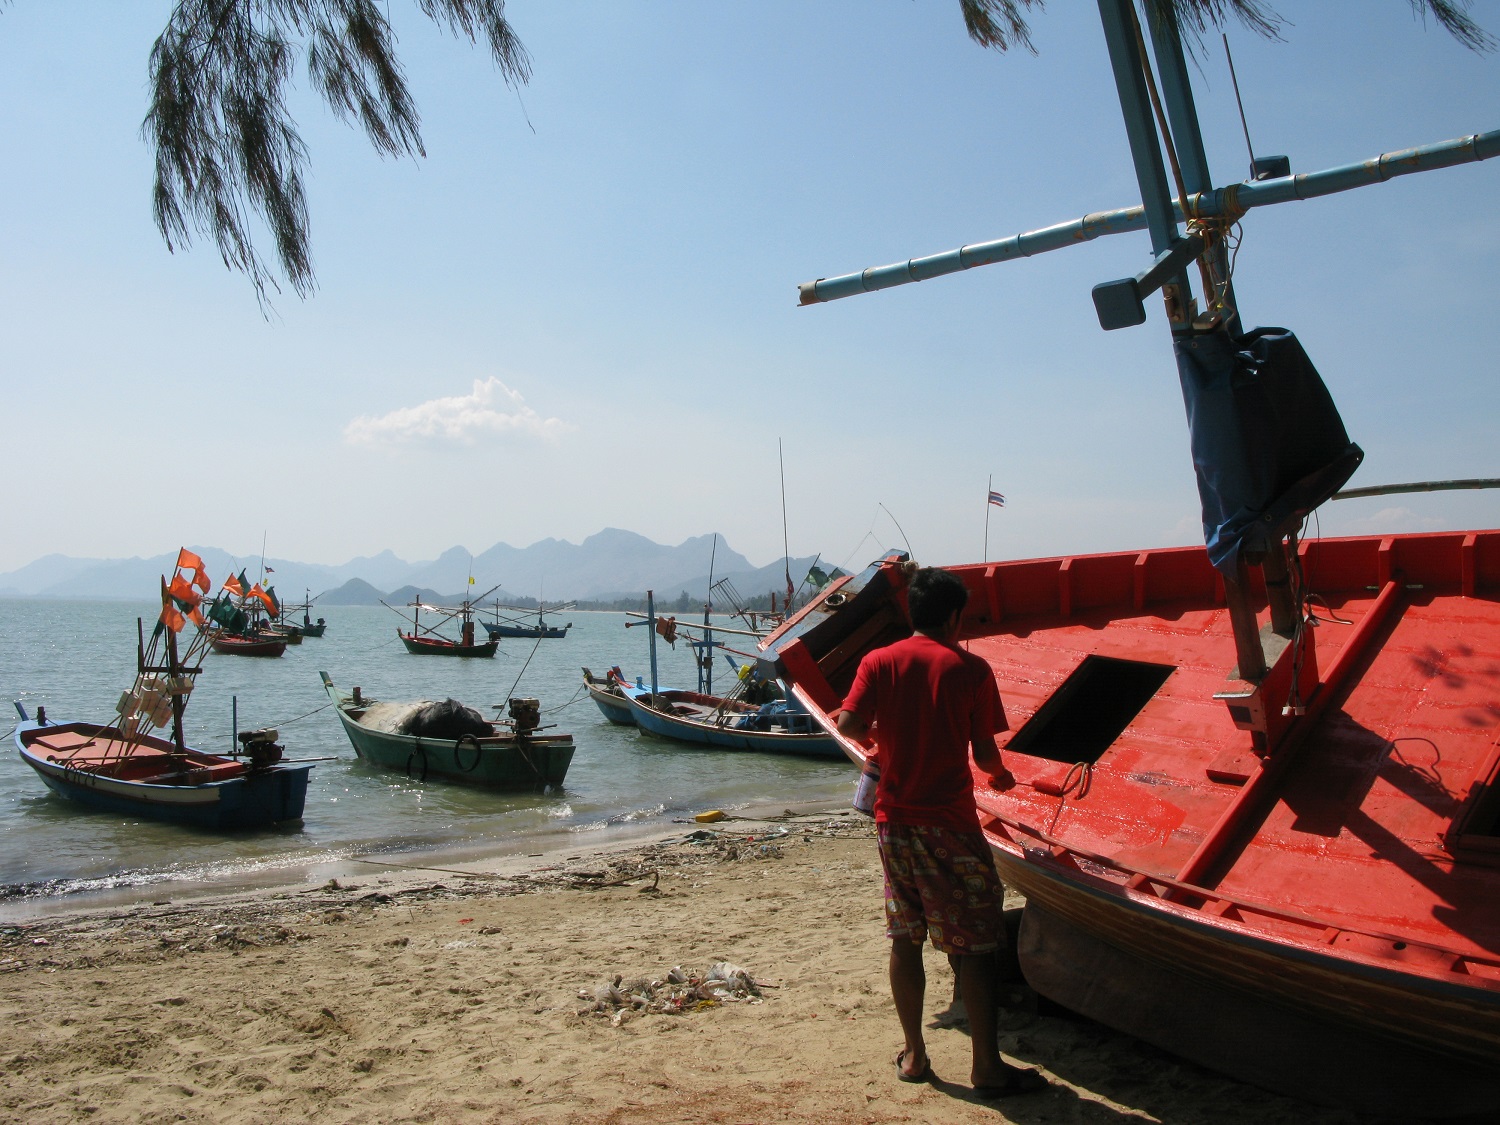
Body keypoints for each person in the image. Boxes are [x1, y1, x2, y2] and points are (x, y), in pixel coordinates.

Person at [837, 566, 1046, 1099]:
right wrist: (1001, 778)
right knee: (976, 944)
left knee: (904, 937)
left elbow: (849, 726)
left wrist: (885, 740)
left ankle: (914, 1055)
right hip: (949, 824)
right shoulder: (972, 670)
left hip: (894, 825)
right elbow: (984, 754)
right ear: (953, 616)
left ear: (912, 612)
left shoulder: (878, 661)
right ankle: (986, 1069)